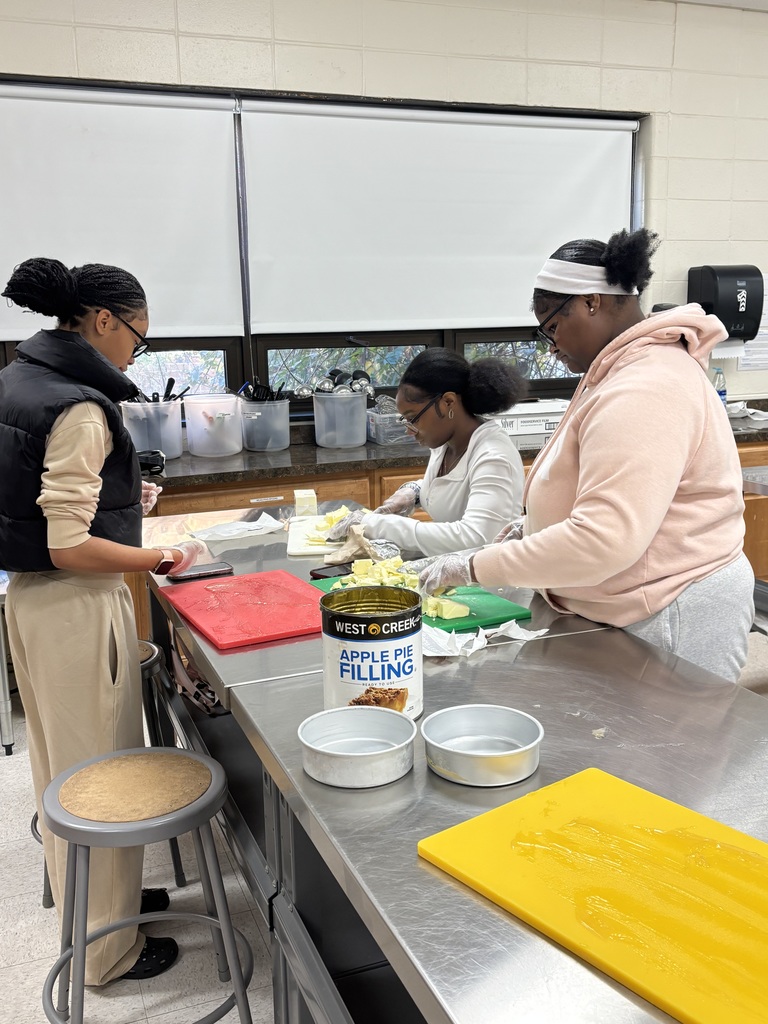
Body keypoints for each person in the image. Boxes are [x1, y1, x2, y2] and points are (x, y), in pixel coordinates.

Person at [418, 229, 754, 682]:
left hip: (672, 613)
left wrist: (472, 565)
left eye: (552, 327)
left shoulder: (647, 385)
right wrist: (536, 525)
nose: (551, 346)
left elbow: (604, 538)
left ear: (591, 302)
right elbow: (607, 488)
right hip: (629, 603)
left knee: (669, 749)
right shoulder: (615, 369)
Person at [0, 258, 206, 985]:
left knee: (63, 765)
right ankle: (105, 950)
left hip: (31, 599)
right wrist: (160, 552)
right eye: (138, 340)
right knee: (102, 770)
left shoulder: (23, 380)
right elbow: (69, 541)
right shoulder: (81, 406)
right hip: (74, 603)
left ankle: (96, 904)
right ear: (103, 321)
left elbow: (37, 501)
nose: (133, 354)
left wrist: (123, 496)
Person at [328, 349, 527, 558]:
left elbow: (477, 538)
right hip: (451, 573)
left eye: (413, 418)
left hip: (489, 586)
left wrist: (377, 524)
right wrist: (413, 493)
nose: (408, 429)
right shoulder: (446, 443)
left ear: (448, 402)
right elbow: (455, 486)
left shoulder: (494, 456)